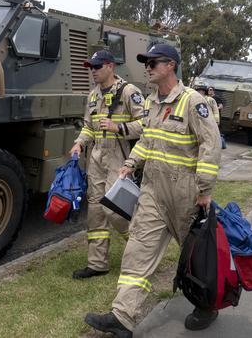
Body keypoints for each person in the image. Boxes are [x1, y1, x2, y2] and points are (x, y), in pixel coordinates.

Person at [84, 44, 222, 337]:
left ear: (170, 65)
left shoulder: (192, 102)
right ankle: (122, 317)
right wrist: (131, 163)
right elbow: (147, 139)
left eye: (152, 62)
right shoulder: (150, 103)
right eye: (145, 63)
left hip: (186, 194)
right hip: (152, 191)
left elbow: (210, 147)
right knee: (137, 251)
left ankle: (207, 305)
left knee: (195, 256)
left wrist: (205, 191)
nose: (147, 67)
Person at [69, 50, 145, 279]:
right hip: (96, 157)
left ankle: (140, 256)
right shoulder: (93, 95)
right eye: (91, 67)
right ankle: (97, 264)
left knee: (117, 211)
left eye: (97, 66)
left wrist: (118, 128)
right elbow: (88, 126)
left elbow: (147, 125)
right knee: (95, 212)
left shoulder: (129, 92)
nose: (93, 71)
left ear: (110, 66)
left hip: (119, 158)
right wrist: (79, 143)